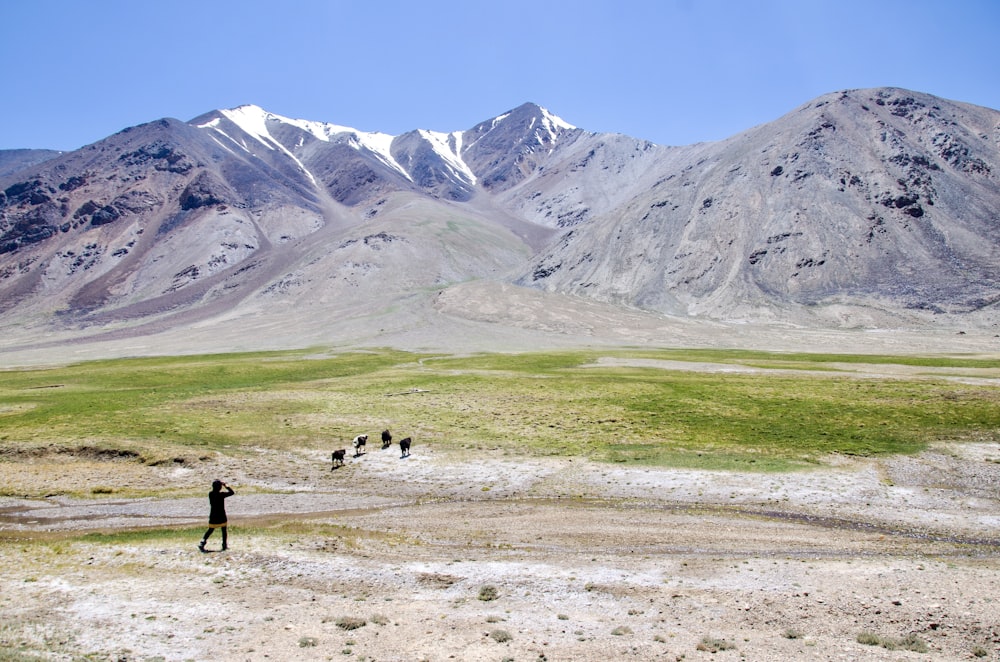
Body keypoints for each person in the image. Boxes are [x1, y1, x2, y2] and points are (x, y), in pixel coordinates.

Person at [199, 479, 235, 552]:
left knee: (210, 530)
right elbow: (232, 492)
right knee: (224, 530)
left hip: (213, 515)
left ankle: (202, 542)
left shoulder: (210, 494)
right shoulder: (221, 495)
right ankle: (224, 545)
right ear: (220, 487)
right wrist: (226, 485)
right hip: (221, 515)